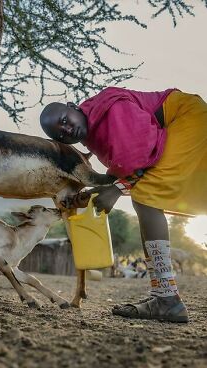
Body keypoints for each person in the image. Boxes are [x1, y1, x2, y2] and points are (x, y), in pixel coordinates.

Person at [40, 87, 207, 323]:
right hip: (188, 122)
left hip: (186, 117)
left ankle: (166, 299)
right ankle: (164, 296)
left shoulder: (109, 109)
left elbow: (141, 157)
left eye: (65, 120)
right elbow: (127, 168)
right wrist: (97, 192)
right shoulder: (95, 133)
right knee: (146, 196)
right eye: (61, 134)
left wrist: (116, 190)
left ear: (73, 106)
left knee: (147, 196)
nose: (67, 129)